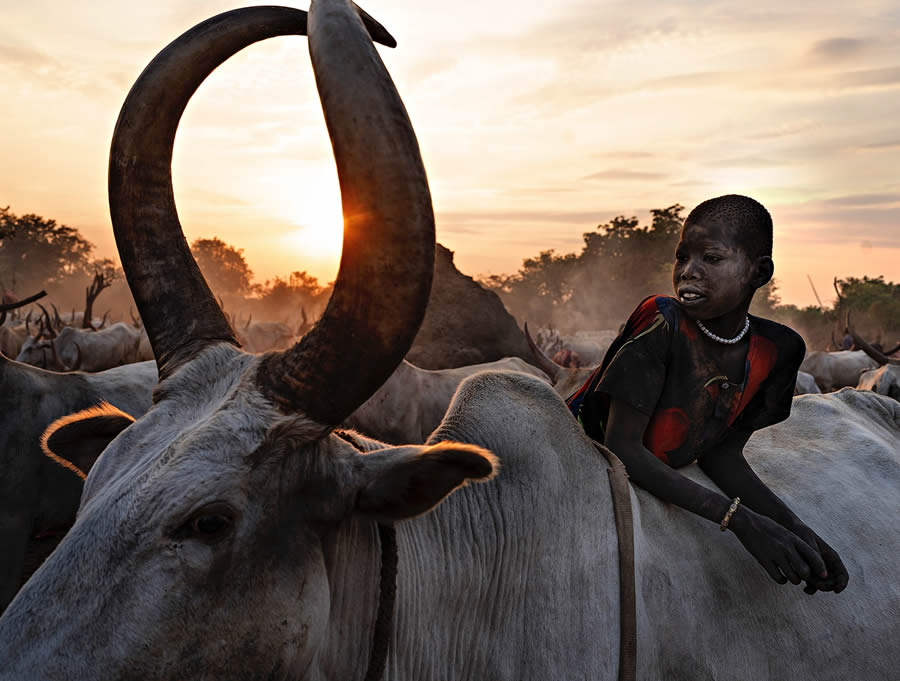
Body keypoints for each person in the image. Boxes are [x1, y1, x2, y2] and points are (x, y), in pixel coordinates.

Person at [567, 194, 848, 594]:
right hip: (577, 461)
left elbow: (721, 454)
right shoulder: (662, 320)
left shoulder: (777, 349)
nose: (688, 272)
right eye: (682, 257)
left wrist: (799, 531)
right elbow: (622, 448)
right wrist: (740, 521)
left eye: (711, 259)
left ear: (758, 272)